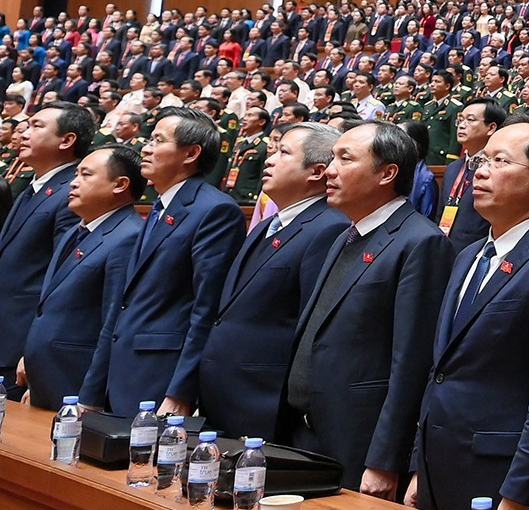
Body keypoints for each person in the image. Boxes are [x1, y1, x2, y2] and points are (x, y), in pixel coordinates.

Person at [408, 118, 529, 510]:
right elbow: (441, 370)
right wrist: (419, 466)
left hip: (500, 477)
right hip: (440, 462)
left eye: (499, 160)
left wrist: (521, 491)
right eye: (481, 159)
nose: (481, 170)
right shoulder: (470, 253)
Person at [282, 121, 451, 496]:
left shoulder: (420, 242)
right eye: (331, 158)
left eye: (345, 158)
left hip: (358, 444)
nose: (329, 170)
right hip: (304, 431)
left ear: (387, 173)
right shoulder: (347, 233)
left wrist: (385, 460)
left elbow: (411, 363)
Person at [79, 108, 243, 414]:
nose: (146, 147)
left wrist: (181, 390)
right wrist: (91, 391)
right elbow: (122, 304)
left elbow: (206, 307)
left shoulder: (215, 210)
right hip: (121, 371)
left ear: (191, 153)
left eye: (158, 140)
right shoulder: (157, 207)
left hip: (161, 376)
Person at [196, 123, 349, 439]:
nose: (269, 159)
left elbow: (310, 327)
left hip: (266, 403)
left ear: (317, 171)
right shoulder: (269, 224)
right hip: (225, 392)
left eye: (283, 152)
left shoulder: (328, 228)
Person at [18, 144, 141, 409]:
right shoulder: (77, 229)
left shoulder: (128, 236)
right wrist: (30, 357)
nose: (74, 183)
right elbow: (47, 305)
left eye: (86, 175)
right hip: (45, 377)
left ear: (119, 184)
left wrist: (90, 397)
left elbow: (112, 324)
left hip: (76, 382)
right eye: (75, 174)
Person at [0, 101, 87, 392]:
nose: (24, 132)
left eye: (37, 126)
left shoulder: (71, 192)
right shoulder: (33, 187)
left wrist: (33, 346)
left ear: (67, 140)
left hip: (22, 345)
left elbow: (61, 277)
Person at [439, 99, 501, 248]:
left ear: (491, 127)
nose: (461, 125)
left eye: (470, 120)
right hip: (443, 248)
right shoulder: (453, 168)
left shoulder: (496, 169)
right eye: (460, 120)